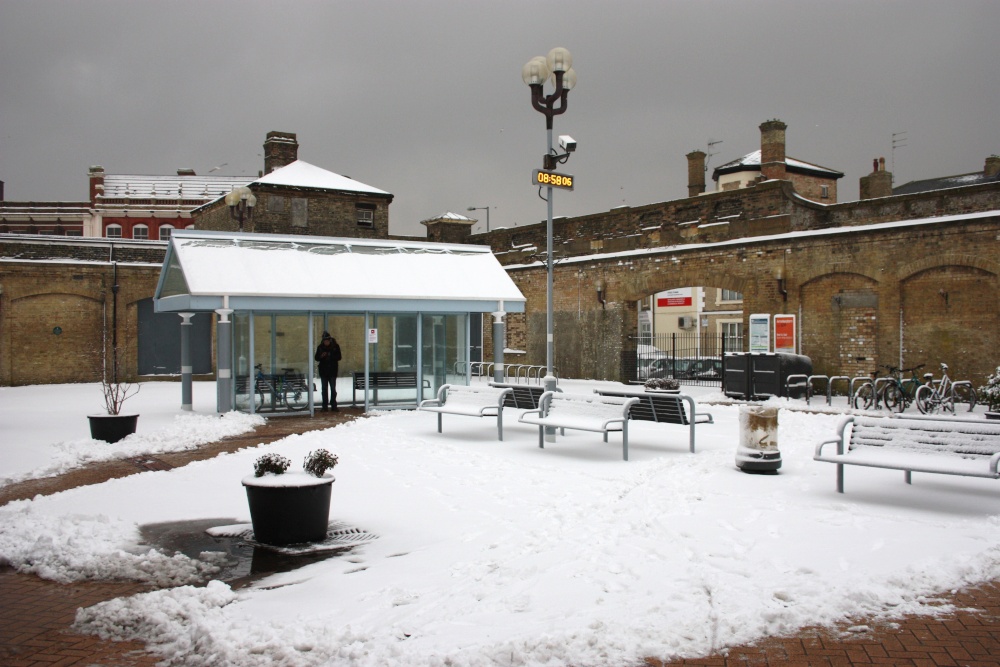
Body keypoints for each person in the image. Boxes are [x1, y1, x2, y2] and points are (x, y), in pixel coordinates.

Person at [314, 331, 342, 411]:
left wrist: (330, 355)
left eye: (327, 340)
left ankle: (333, 405)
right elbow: (316, 358)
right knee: (324, 389)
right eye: (324, 341)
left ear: (330, 340)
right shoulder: (320, 347)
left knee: (333, 389)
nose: (326, 342)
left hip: (332, 371)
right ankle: (324, 406)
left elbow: (339, 357)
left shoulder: (335, 346)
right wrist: (321, 356)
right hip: (323, 371)